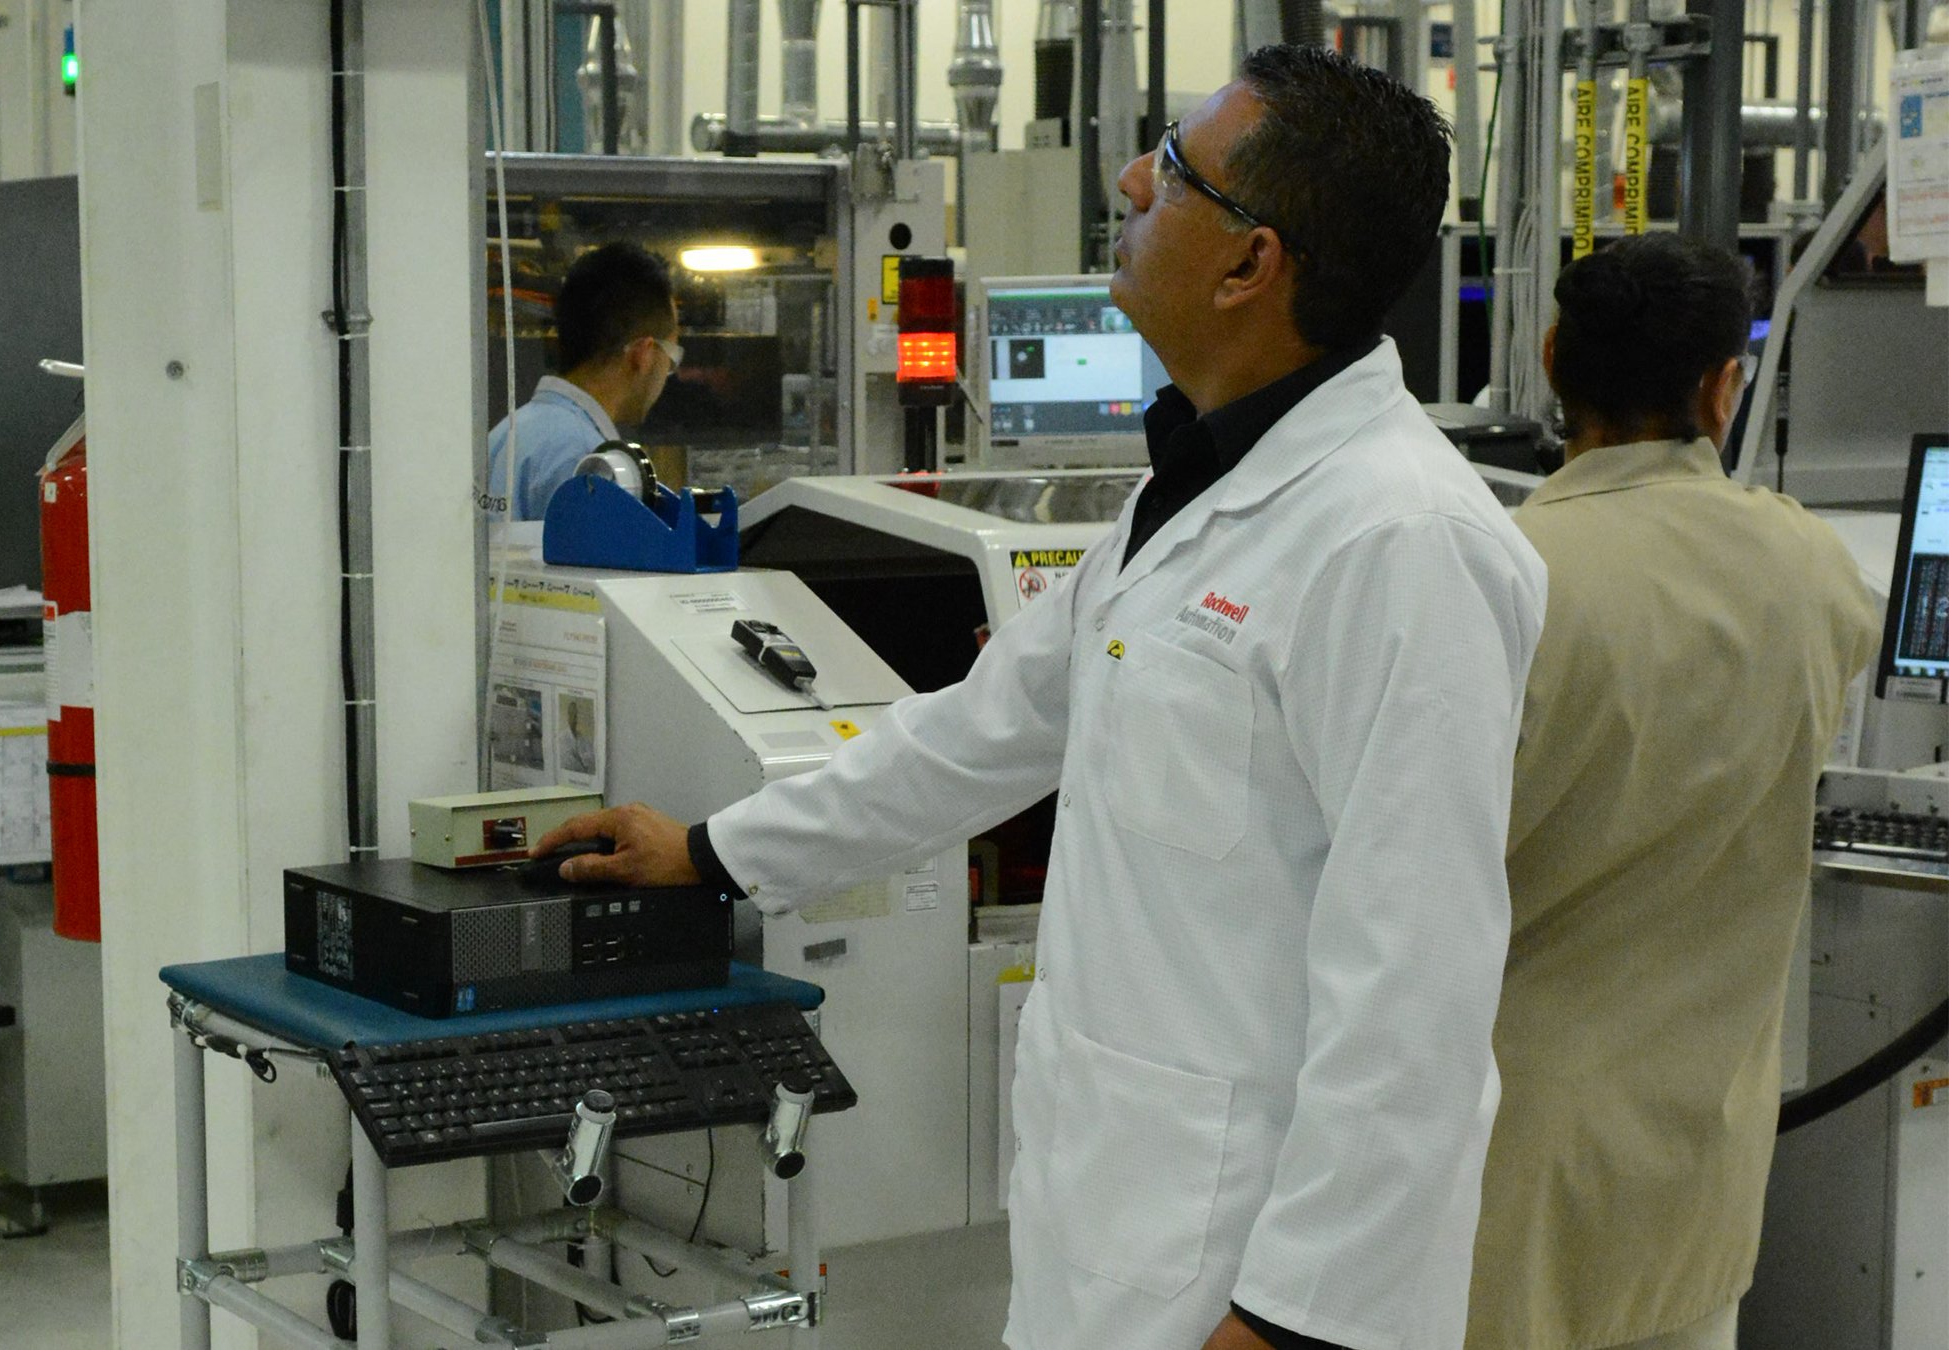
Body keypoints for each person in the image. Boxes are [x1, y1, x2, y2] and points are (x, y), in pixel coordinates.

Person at [538, 46, 1545, 1350]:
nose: (1131, 178)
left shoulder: (1400, 542)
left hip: (1251, 1287)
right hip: (1107, 1235)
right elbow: (972, 735)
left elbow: (1418, 990)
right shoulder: (1182, 498)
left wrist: (1294, 1321)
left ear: (1252, 263)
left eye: (1174, 171)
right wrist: (716, 849)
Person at [1466, 236, 1878, 1350]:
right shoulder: (1812, 568)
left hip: (1502, 1168)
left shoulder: (1499, 578)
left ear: (1552, 358)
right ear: (1723, 386)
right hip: (1695, 1173)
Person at [486, 241, 682, 521]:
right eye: (671, 357)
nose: (668, 371)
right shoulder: (588, 461)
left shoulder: (508, 434)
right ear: (643, 354)